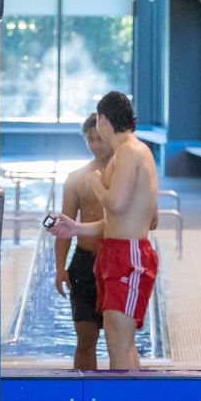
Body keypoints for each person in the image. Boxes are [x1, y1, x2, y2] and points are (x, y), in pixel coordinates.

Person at [46, 92, 159, 371]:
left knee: (118, 343)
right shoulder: (131, 152)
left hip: (128, 255)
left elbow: (117, 204)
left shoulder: (130, 152)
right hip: (117, 252)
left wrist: (96, 182)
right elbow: (118, 220)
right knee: (119, 340)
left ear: (103, 120)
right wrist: (76, 228)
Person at [53, 114, 114, 371]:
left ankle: (120, 400)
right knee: (85, 338)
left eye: (100, 139)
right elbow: (64, 227)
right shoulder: (76, 178)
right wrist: (60, 268)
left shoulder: (126, 175)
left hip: (116, 262)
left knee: (119, 340)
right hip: (84, 263)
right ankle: (83, 398)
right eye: (90, 139)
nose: (96, 145)